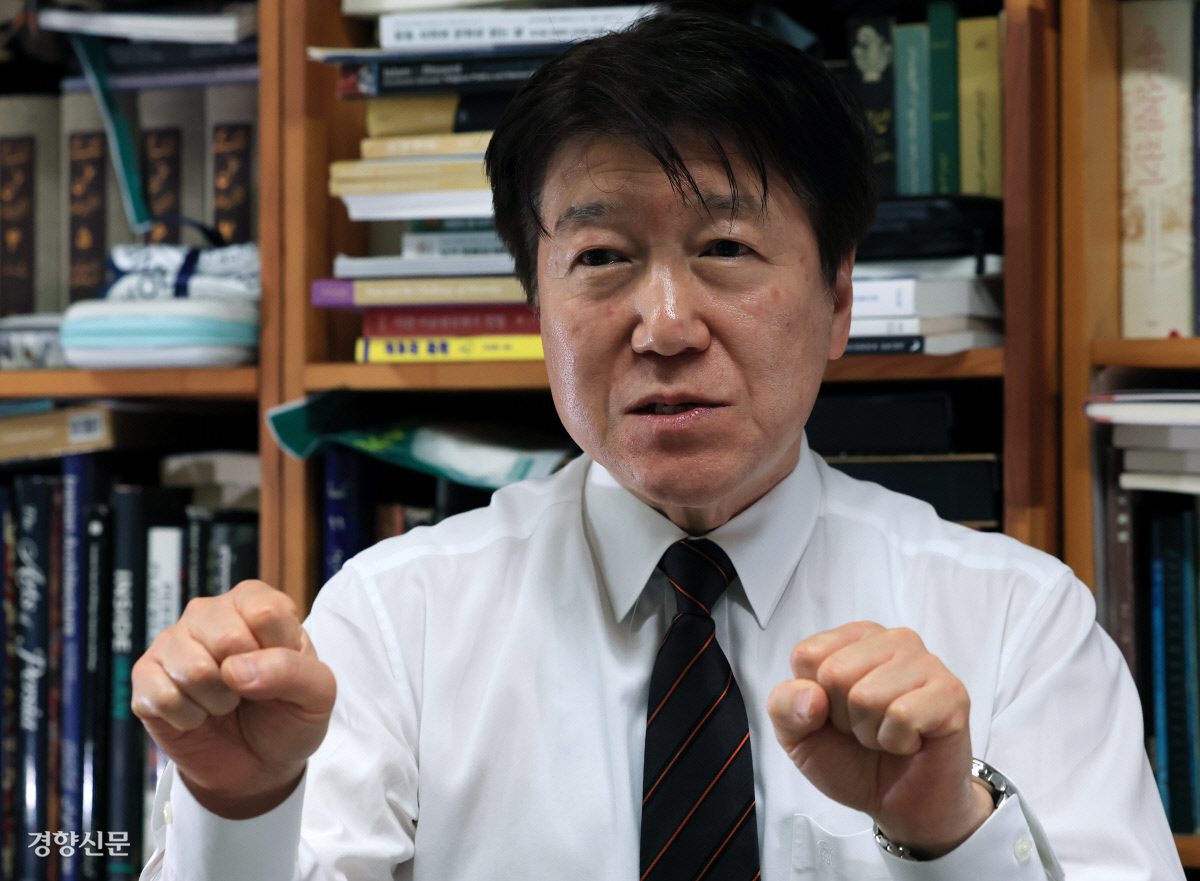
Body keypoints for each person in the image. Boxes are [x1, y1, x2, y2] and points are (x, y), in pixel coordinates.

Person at [133, 10, 1183, 881]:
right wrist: (240, 803)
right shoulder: (395, 616)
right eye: (602, 257)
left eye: (725, 246)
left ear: (839, 300)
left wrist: (948, 834)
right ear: (537, 307)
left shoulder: (1017, 620)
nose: (667, 324)